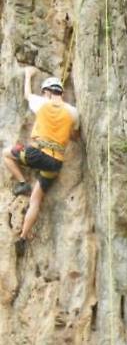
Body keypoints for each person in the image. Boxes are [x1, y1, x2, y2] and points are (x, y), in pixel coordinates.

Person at [2, 66, 79, 255]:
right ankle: (23, 237)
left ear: (46, 92)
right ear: (61, 92)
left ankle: (22, 183)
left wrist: (28, 74)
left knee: (6, 154)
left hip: (39, 154)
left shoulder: (41, 103)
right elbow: (74, 134)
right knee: (36, 199)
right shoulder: (73, 112)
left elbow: (27, 94)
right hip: (56, 163)